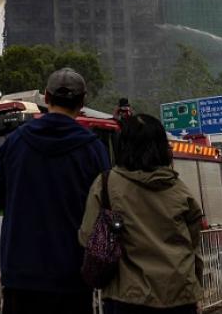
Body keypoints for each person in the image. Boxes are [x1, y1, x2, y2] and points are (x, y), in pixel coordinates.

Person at [0, 67, 110, 314]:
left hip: (20, 275)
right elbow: (106, 207)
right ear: (82, 102)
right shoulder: (93, 149)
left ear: (47, 97)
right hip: (73, 277)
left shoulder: (14, 142)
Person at [79, 114, 203, 314]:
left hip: (126, 298)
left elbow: (87, 236)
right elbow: (194, 245)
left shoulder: (106, 184)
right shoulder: (179, 189)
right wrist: (195, 290)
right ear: (162, 147)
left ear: (123, 145)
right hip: (179, 296)